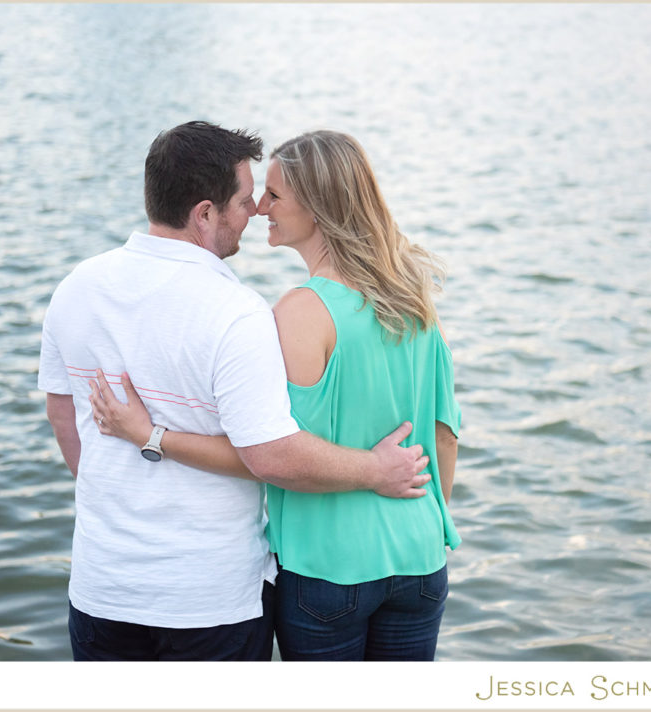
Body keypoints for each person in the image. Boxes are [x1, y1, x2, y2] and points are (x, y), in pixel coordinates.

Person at [38, 121, 431, 662]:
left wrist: (125, 491)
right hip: (210, 599)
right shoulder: (236, 312)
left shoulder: (76, 287)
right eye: (245, 201)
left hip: (103, 585)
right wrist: (374, 470)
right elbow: (269, 454)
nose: (256, 211)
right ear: (205, 214)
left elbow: (63, 411)